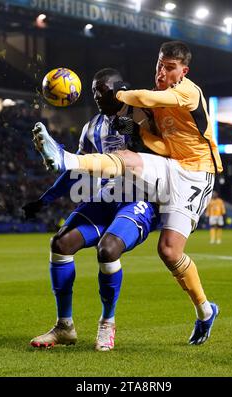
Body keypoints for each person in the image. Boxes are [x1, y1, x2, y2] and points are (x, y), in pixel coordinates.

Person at [33, 41, 223, 345]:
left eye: (170, 67)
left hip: (195, 175)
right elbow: (163, 148)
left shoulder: (180, 92)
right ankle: (64, 325)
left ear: (183, 71)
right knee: (65, 238)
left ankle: (203, 311)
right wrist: (141, 133)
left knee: (169, 251)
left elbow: (145, 99)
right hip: (154, 173)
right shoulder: (99, 125)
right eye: (160, 64)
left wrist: (123, 100)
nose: (162, 71)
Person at [24, 68, 159, 351]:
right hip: (106, 197)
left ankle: (107, 323)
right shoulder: (91, 127)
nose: (96, 95)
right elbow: (77, 172)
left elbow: (134, 142)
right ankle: (64, 327)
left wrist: (127, 119)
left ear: (120, 89)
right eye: (95, 90)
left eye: (103, 90)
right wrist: (44, 200)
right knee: (61, 243)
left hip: (139, 199)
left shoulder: (131, 118)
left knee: (108, 249)